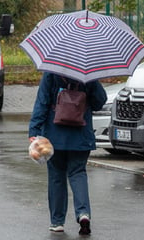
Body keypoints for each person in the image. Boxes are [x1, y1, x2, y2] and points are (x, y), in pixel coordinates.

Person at [28, 72, 107, 235]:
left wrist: (34, 129)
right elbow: (100, 101)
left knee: (56, 176)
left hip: (54, 135)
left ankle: (57, 222)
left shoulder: (51, 72)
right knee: (78, 173)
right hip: (81, 135)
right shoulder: (88, 73)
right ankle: (83, 214)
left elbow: (42, 102)